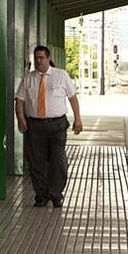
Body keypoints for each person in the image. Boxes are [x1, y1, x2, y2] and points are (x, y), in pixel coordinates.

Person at [14, 45, 83, 208]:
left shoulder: (61, 75)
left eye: (41, 58)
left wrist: (78, 119)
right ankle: (41, 195)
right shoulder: (29, 78)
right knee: (36, 162)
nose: (38, 61)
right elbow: (20, 99)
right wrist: (20, 117)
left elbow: (73, 98)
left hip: (57, 124)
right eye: (36, 58)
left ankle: (56, 194)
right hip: (35, 125)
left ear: (48, 58)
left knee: (58, 161)